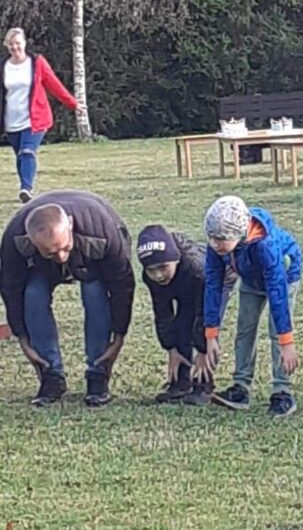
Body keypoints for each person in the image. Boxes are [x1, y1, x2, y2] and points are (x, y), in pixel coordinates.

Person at [0, 190, 135, 408]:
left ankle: (97, 372)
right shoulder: (15, 240)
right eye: (51, 252)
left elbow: (122, 286)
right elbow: (10, 290)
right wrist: (22, 338)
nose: (61, 257)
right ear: (31, 241)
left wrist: (119, 336)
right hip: (41, 268)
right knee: (33, 293)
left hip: (91, 248)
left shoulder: (102, 232)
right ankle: (50, 374)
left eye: (64, 248)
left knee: (95, 291)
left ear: (70, 225)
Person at [201, 195, 302, 418]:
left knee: (276, 332)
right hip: (250, 277)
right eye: (211, 238)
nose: (215, 244)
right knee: (245, 328)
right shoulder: (217, 248)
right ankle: (240, 387)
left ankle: (282, 391)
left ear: (239, 233)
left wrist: (287, 342)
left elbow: (278, 293)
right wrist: (211, 333)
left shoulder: (266, 245)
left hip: (283, 277)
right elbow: (213, 284)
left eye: (221, 238)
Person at [137, 224, 234, 407]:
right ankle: (181, 382)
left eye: (163, 267)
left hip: (216, 280)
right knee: (181, 326)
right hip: (184, 286)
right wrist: (171, 348)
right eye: (151, 270)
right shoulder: (152, 276)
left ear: (175, 259)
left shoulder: (197, 270)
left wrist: (203, 348)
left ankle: (204, 385)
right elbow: (162, 312)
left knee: (203, 331)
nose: (158, 275)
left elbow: (205, 313)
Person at [1, 27, 82, 203]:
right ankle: (25, 184)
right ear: (7, 45)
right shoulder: (4, 67)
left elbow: (54, 84)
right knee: (21, 156)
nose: (15, 47)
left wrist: (73, 104)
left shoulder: (36, 63)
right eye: (11, 44)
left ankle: (26, 189)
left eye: (18, 43)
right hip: (11, 120)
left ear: (24, 43)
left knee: (27, 152)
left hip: (35, 120)